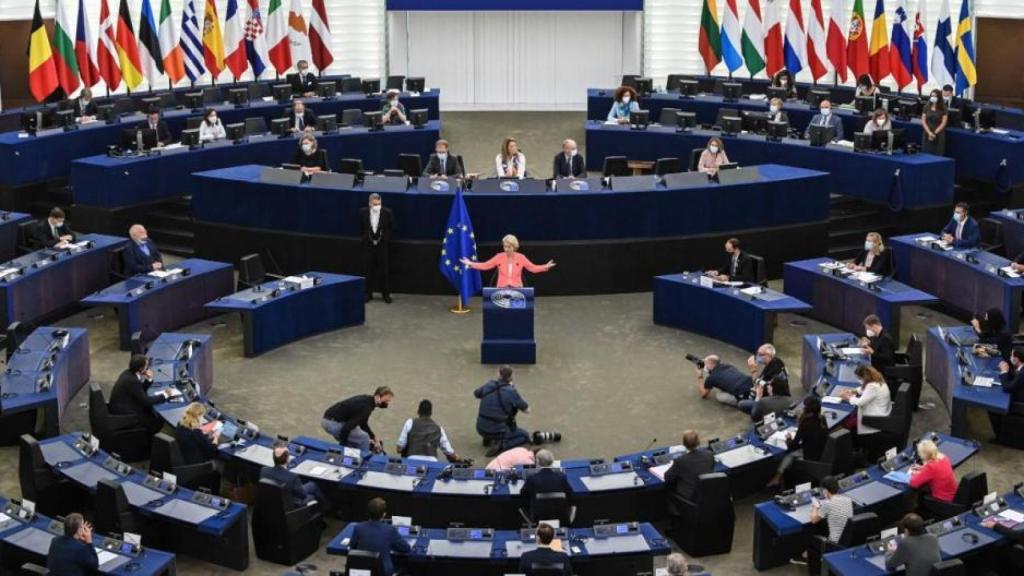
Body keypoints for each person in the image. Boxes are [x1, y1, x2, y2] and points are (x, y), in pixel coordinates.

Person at [769, 396, 829, 487]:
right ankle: (778, 478)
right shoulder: (822, 419)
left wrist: (788, 438)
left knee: (789, 454)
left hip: (810, 457)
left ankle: (778, 477)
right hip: (822, 452)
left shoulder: (805, 424)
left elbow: (793, 446)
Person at [473, 365, 531, 455]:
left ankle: (487, 439)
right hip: (498, 430)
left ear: (498, 375)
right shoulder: (511, 391)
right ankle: (502, 446)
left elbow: (476, 394)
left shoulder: (489, 384)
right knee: (525, 436)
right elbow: (527, 410)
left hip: (480, 428)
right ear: (511, 377)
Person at [461, 234, 555, 288]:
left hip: (517, 289)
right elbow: (486, 265)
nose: (506, 249)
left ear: (514, 246)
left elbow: (533, 268)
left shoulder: (521, 257)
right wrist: (471, 264)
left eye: (508, 247)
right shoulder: (499, 257)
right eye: (504, 246)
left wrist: (544, 267)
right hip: (501, 289)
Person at [109, 354, 170, 434]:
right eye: (146, 366)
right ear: (141, 368)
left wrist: (149, 379)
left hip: (122, 406)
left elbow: (139, 391)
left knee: (149, 411)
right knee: (157, 421)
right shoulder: (132, 381)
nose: (147, 368)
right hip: (126, 415)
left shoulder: (127, 373)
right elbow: (146, 401)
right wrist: (165, 395)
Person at [260, 441, 330, 510]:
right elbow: (303, 495)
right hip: (291, 506)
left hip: (273, 502)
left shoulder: (264, 470)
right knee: (311, 494)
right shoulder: (292, 477)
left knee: (312, 485)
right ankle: (327, 509)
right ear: (287, 459)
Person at [350, 498, 412, 576]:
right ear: (383, 514)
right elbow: (405, 548)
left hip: (362, 571)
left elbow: (352, 546)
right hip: (383, 572)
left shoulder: (358, 527)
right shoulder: (390, 530)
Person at [321, 386, 394, 452]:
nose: (387, 404)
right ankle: (362, 461)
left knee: (356, 439)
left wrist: (374, 438)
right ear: (378, 396)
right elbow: (346, 428)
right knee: (364, 438)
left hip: (328, 419)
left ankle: (350, 456)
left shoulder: (367, 401)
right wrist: (343, 445)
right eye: (386, 401)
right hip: (332, 423)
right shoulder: (366, 408)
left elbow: (363, 424)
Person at [396, 399, 460, 462]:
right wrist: (457, 458)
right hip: (432, 462)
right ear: (431, 413)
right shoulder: (439, 428)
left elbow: (399, 448)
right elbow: (449, 451)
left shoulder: (409, 422)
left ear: (418, 411)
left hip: (412, 460)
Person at [841, 365, 892, 438]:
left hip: (874, 420)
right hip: (883, 414)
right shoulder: (878, 380)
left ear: (864, 377)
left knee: (846, 422)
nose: (859, 380)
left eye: (859, 378)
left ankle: (852, 442)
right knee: (852, 415)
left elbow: (860, 402)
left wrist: (847, 397)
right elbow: (865, 390)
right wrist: (853, 391)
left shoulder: (872, 386)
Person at [663, 430, 715, 502]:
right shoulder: (709, 455)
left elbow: (667, 477)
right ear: (698, 441)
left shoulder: (681, 460)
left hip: (689, 499)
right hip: (707, 493)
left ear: (684, 443)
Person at [360, 192, 393, 303]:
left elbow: (391, 227)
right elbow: (360, 227)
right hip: (368, 245)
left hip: (382, 246)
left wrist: (385, 240)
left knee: (383, 270)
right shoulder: (363, 212)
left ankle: (385, 294)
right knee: (367, 270)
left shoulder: (387, 213)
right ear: (369, 203)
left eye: (378, 204)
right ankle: (367, 294)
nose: (376, 207)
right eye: (374, 204)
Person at [908, 439, 957, 503]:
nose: (919, 455)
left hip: (943, 499)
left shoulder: (931, 467)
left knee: (920, 489)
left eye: (919, 453)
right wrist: (923, 468)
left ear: (924, 455)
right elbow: (937, 471)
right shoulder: (944, 457)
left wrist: (913, 473)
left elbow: (913, 483)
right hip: (953, 494)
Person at [810, 475, 854, 544]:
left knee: (812, 533)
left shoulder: (827, 504)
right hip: (847, 539)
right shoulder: (848, 500)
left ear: (825, 490)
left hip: (833, 543)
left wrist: (815, 507)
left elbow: (813, 520)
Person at [991, 346, 1024, 438]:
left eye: (1012, 355)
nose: (1010, 357)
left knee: (993, 408)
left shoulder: (1022, 374)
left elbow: (1007, 387)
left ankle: (999, 437)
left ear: (1017, 359)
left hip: (1020, 402)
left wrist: (1004, 371)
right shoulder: (1020, 368)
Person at [922, 88, 948, 155]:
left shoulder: (943, 108)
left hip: (939, 133)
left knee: (937, 152)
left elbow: (943, 123)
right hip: (927, 132)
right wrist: (929, 133)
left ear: (939, 97)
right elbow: (923, 121)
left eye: (935, 96)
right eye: (932, 96)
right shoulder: (926, 106)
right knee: (926, 152)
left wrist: (934, 133)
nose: (933, 97)